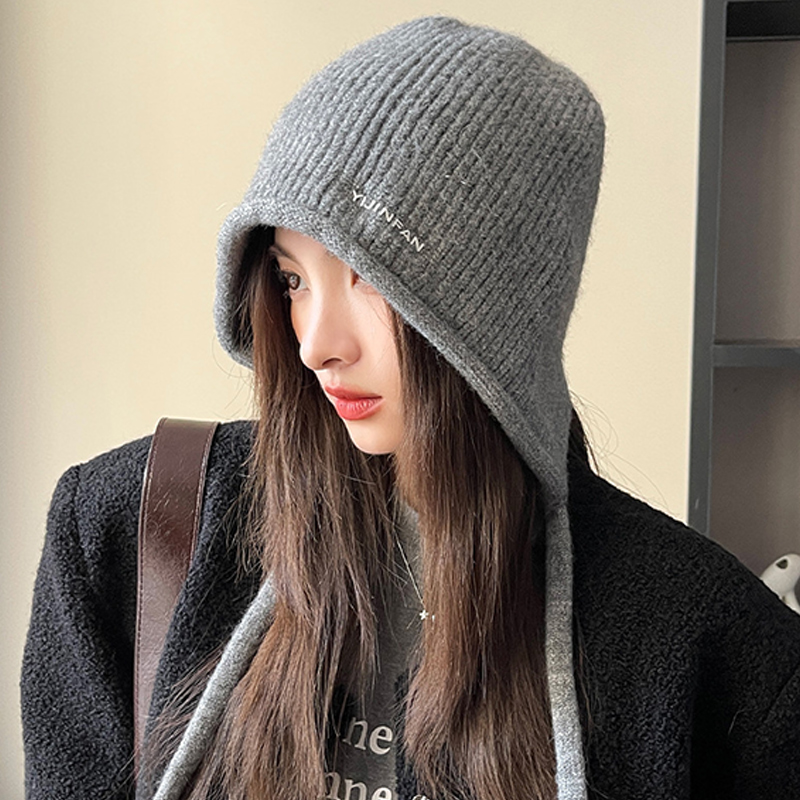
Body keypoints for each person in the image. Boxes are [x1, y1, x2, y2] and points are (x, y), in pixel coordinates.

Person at [21, 16, 800, 800]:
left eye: (369, 280)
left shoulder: (706, 644)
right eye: (292, 279)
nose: (314, 344)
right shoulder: (131, 530)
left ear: (499, 312)